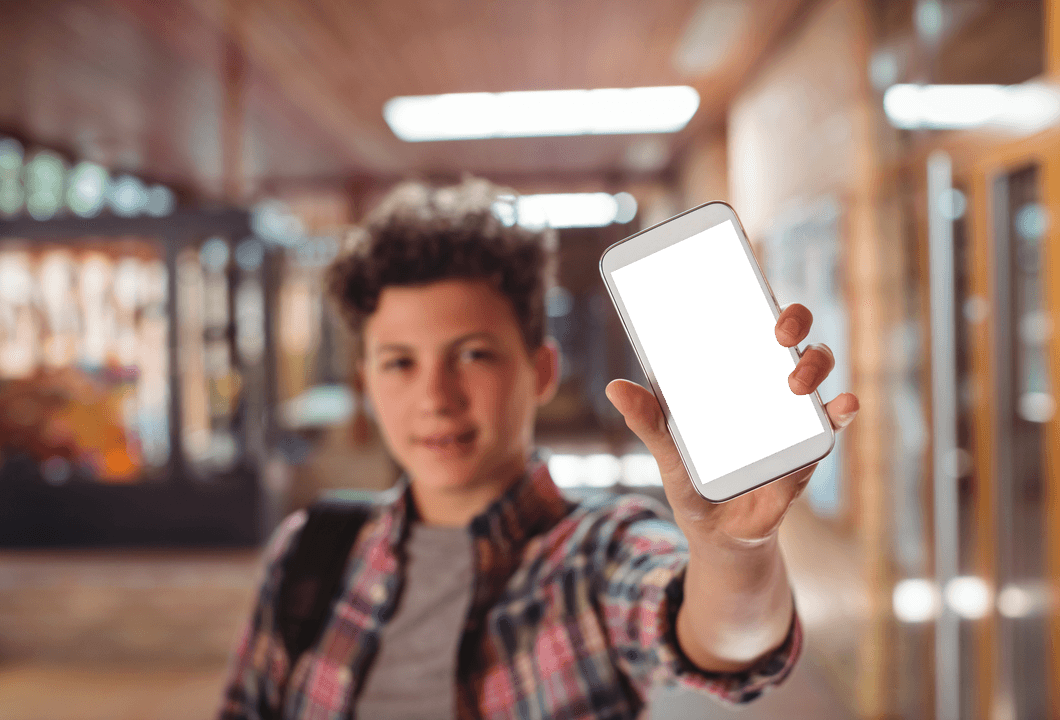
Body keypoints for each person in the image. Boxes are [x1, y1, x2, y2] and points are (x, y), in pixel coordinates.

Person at [218, 179, 860, 720]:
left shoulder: (600, 554)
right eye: (399, 363)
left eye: (472, 354)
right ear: (365, 383)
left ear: (542, 370)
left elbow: (725, 639)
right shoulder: (311, 552)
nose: (435, 397)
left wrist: (734, 551)